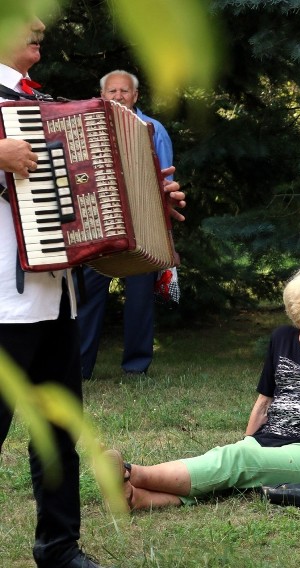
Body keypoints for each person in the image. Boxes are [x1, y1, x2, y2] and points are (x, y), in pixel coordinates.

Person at [0, 17, 186, 568]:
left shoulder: (34, 101)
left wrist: (151, 202)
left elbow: (91, 196)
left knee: (58, 432)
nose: (39, 25)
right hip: (3, 303)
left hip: (55, 297)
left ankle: (59, 549)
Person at [105, 267, 300, 510]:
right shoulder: (281, 339)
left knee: (236, 463)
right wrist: (247, 443)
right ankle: (136, 499)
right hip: (268, 441)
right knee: (233, 465)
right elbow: (264, 402)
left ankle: (132, 472)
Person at [77, 70, 175, 380]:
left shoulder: (153, 129)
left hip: (141, 226)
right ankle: (80, 366)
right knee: (89, 293)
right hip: (100, 225)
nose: (118, 96)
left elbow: (166, 182)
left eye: (124, 91)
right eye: (112, 91)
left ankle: (136, 366)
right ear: (101, 95)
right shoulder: (87, 127)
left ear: (135, 96)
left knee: (139, 297)